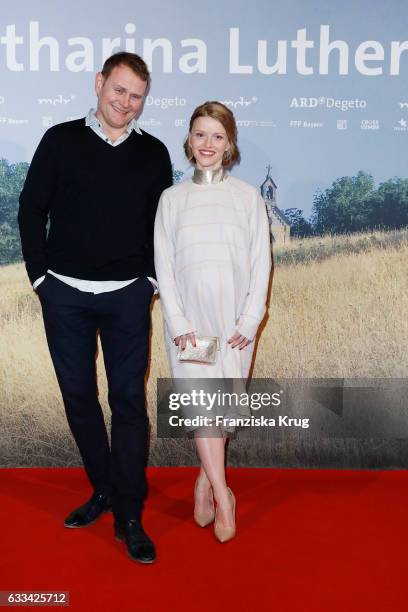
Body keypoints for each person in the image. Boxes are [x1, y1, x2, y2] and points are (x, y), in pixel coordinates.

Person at [18, 51, 172, 564]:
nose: (126, 103)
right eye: (119, 90)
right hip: (64, 294)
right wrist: (40, 278)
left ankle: (129, 513)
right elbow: (30, 207)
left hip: (127, 295)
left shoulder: (154, 153)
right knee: (79, 397)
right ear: (99, 83)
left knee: (128, 402)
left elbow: (161, 225)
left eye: (136, 97)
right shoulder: (59, 139)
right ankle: (103, 488)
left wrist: (149, 281)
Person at [154, 101, 271, 542]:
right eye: (200, 135)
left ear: (230, 144)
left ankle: (204, 478)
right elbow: (164, 265)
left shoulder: (247, 197)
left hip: (234, 327)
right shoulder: (171, 199)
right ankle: (224, 496)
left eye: (217, 136)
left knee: (224, 409)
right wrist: (178, 321)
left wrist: (252, 317)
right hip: (191, 329)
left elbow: (261, 262)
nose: (208, 144)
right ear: (189, 140)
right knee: (203, 407)